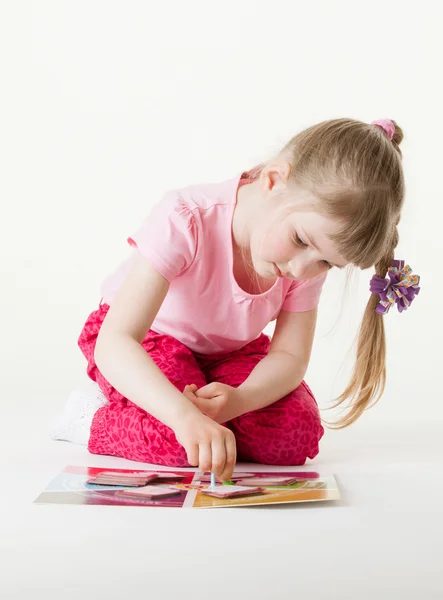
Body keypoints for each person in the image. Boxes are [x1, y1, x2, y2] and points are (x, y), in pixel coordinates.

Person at [69, 117, 420, 482]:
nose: (301, 270)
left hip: (230, 353)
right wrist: (184, 416)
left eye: (326, 263)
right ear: (272, 181)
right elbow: (117, 341)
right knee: (180, 441)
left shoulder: (302, 264)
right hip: (145, 342)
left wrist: (240, 400)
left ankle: (197, 418)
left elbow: (289, 356)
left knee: (294, 434)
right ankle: (90, 416)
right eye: (300, 240)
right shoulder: (186, 218)